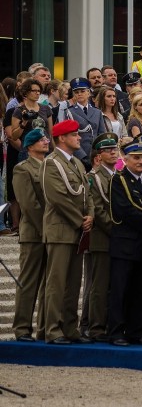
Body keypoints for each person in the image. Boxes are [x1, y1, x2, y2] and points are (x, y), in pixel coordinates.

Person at [41, 119, 95, 344]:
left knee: (73, 284)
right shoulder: (51, 163)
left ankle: (70, 329)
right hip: (61, 230)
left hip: (78, 230)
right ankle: (52, 330)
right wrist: (79, 220)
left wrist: (90, 215)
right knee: (57, 283)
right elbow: (57, 197)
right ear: (62, 138)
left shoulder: (78, 164)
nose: (79, 138)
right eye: (74, 134)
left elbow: (87, 194)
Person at [107, 139, 142, 346]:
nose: (141, 162)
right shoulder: (119, 180)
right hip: (126, 244)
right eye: (137, 158)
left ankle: (136, 330)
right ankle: (115, 331)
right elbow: (126, 210)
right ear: (126, 159)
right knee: (121, 290)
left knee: (141, 290)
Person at [11, 128, 50, 342]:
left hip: (50, 233)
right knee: (28, 282)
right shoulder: (22, 169)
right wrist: (47, 230)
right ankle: (22, 328)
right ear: (29, 146)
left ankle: (44, 327)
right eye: (40, 140)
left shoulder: (50, 167)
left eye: (45, 138)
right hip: (34, 233)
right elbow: (29, 205)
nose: (45, 141)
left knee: (48, 284)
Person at [84, 133, 119, 342]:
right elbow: (97, 208)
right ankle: (95, 327)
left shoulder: (116, 175)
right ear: (99, 155)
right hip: (101, 238)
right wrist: (117, 232)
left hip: (115, 238)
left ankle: (106, 324)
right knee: (98, 285)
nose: (113, 152)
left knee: (110, 285)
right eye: (108, 150)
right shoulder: (94, 177)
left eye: (115, 149)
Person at [10, 77, 54, 161]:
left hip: (46, 150)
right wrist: (24, 123)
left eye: (39, 91)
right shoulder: (19, 110)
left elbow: (50, 133)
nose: (37, 93)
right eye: (34, 91)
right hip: (28, 151)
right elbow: (14, 136)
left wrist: (54, 150)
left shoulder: (46, 108)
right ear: (26, 92)